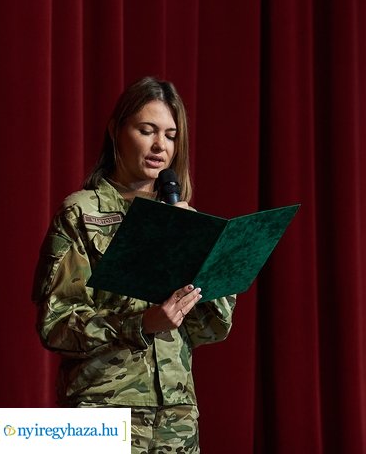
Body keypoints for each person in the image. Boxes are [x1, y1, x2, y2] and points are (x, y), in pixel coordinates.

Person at [32, 76, 236, 454]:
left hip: (176, 419)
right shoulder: (82, 212)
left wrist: (203, 252)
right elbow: (56, 326)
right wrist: (140, 325)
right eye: (147, 130)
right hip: (103, 413)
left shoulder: (183, 217)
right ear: (116, 130)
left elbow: (211, 328)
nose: (160, 145)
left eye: (171, 135)